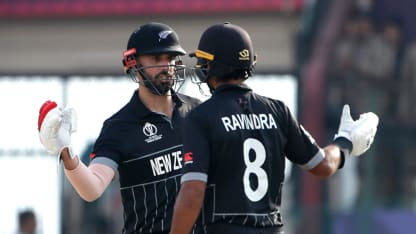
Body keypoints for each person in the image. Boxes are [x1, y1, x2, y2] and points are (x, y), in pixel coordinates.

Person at [170, 22, 379, 234]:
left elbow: (193, 194)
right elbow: (323, 165)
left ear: (213, 66)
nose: (201, 66)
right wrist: (345, 142)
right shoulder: (278, 111)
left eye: (204, 61)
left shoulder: (200, 117)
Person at [37, 22, 202, 234]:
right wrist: (65, 151)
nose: (166, 66)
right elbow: (92, 189)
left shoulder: (198, 112)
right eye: (156, 59)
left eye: (170, 58)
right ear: (133, 63)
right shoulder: (119, 127)